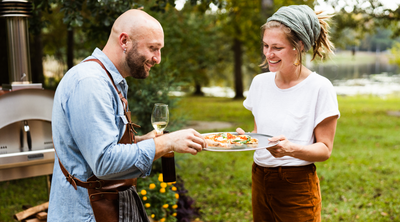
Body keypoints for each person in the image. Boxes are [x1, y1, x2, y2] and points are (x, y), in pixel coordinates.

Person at [48, 9, 206, 221]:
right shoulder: (90, 83)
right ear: (124, 41)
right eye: (153, 48)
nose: (157, 59)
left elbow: (103, 146)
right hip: (87, 213)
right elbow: (104, 162)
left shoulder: (110, 81)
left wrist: (143, 140)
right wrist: (166, 144)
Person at [236, 5, 340, 222]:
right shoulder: (259, 83)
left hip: (296, 184)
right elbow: (259, 133)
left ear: (299, 46)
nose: (268, 53)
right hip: (260, 177)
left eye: (277, 47)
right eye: (265, 45)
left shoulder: (320, 87)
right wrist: (246, 138)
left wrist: (290, 149)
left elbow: (324, 150)